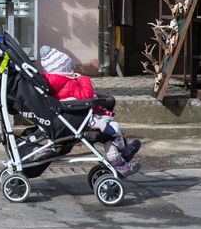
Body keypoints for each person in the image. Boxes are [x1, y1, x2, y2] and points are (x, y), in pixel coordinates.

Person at [39, 45, 141, 177]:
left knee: (111, 131)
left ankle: (122, 154)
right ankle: (119, 163)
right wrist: (83, 79)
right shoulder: (67, 83)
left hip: (72, 117)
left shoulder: (55, 83)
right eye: (69, 67)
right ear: (62, 69)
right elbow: (86, 96)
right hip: (81, 120)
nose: (72, 69)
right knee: (110, 133)